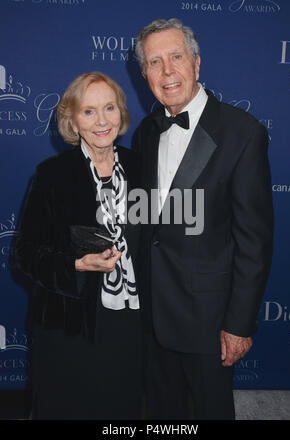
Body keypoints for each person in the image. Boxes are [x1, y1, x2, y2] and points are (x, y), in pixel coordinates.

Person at [135, 18, 273, 420]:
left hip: (208, 321)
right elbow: (148, 221)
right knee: (162, 414)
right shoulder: (146, 131)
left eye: (176, 57)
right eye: (155, 62)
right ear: (144, 76)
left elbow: (254, 240)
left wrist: (239, 323)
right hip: (152, 314)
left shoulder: (242, 133)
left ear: (196, 63)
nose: (167, 71)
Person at [15, 72, 142, 419]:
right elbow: (24, 254)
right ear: (72, 121)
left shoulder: (141, 168)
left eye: (109, 108)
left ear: (121, 113)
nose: (102, 121)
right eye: (89, 111)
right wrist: (75, 266)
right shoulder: (52, 174)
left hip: (129, 326)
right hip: (68, 325)